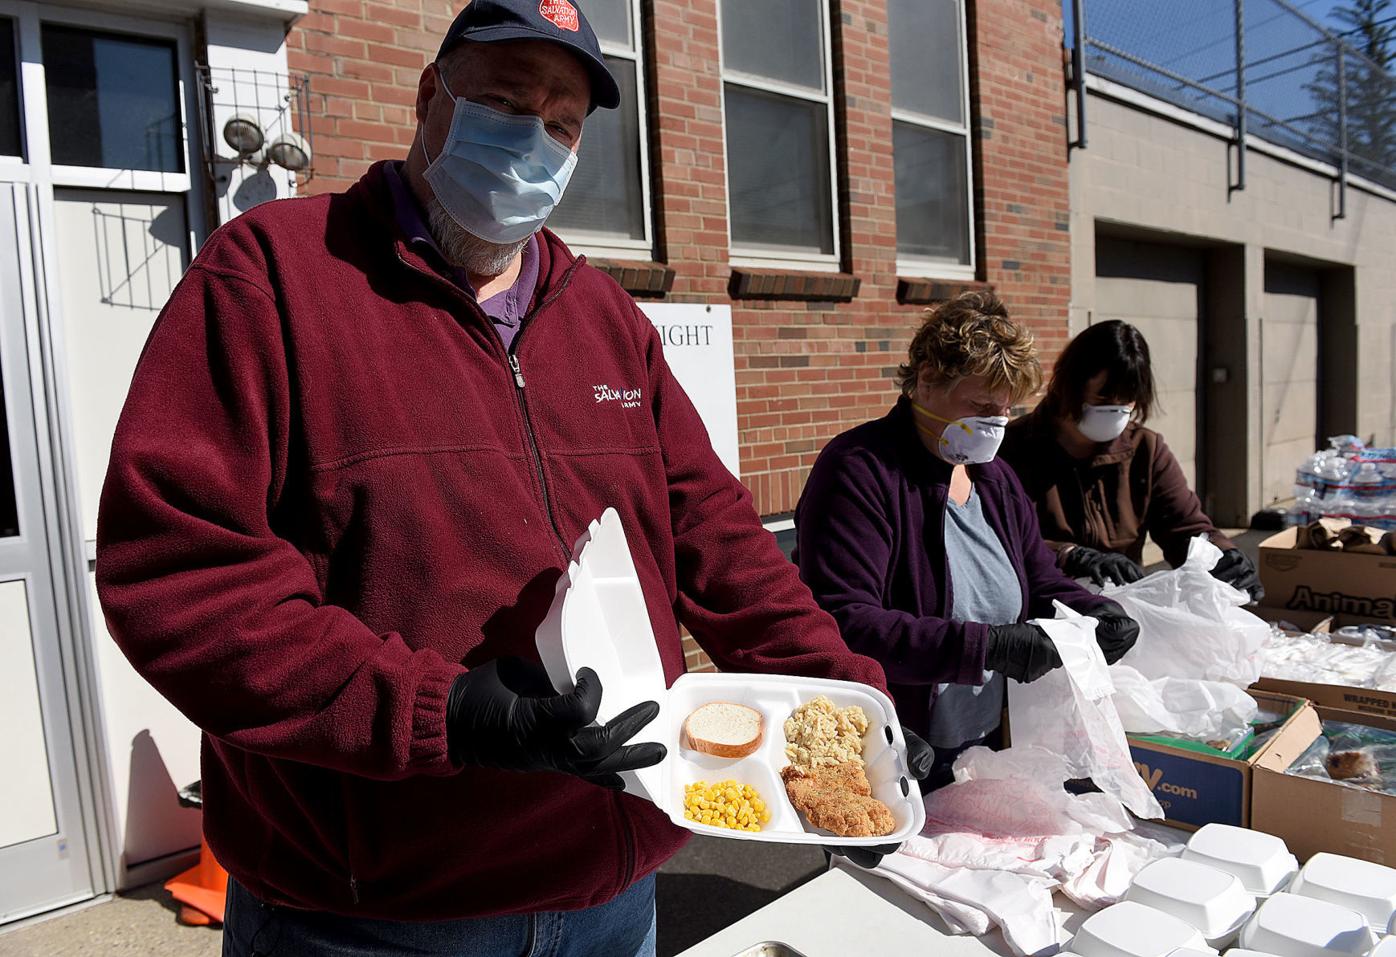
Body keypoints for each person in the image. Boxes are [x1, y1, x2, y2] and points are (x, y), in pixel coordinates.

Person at [95, 3, 929, 954]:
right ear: (427, 98)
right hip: (377, 915)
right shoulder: (276, 277)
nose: (532, 139)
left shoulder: (606, 318)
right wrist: (436, 709)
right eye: (502, 99)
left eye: (563, 121)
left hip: (613, 897)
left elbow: (726, 545)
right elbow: (181, 574)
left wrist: (863, 714)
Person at [794, 292, 1141, 792]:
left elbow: (1037, 573)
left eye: (1004, 410)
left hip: (986, 733)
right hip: (896, 742)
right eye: (981, 406)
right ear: (927, 380)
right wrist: (988, 646)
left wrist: (1095, 612)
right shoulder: (860, 470)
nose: (995, 425)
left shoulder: (992, 476)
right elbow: (845, 621)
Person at [1000, 320, 1263, 599]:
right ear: (1069, 385)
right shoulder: (1013, 449)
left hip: (1122, 609)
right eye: (1103, 398)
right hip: (1043, 608)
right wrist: (1068, 555)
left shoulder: (1145, 450)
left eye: (1127, 400)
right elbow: (999, 538)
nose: (1115, 410)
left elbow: (1183, 526)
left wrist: (1221, 556)